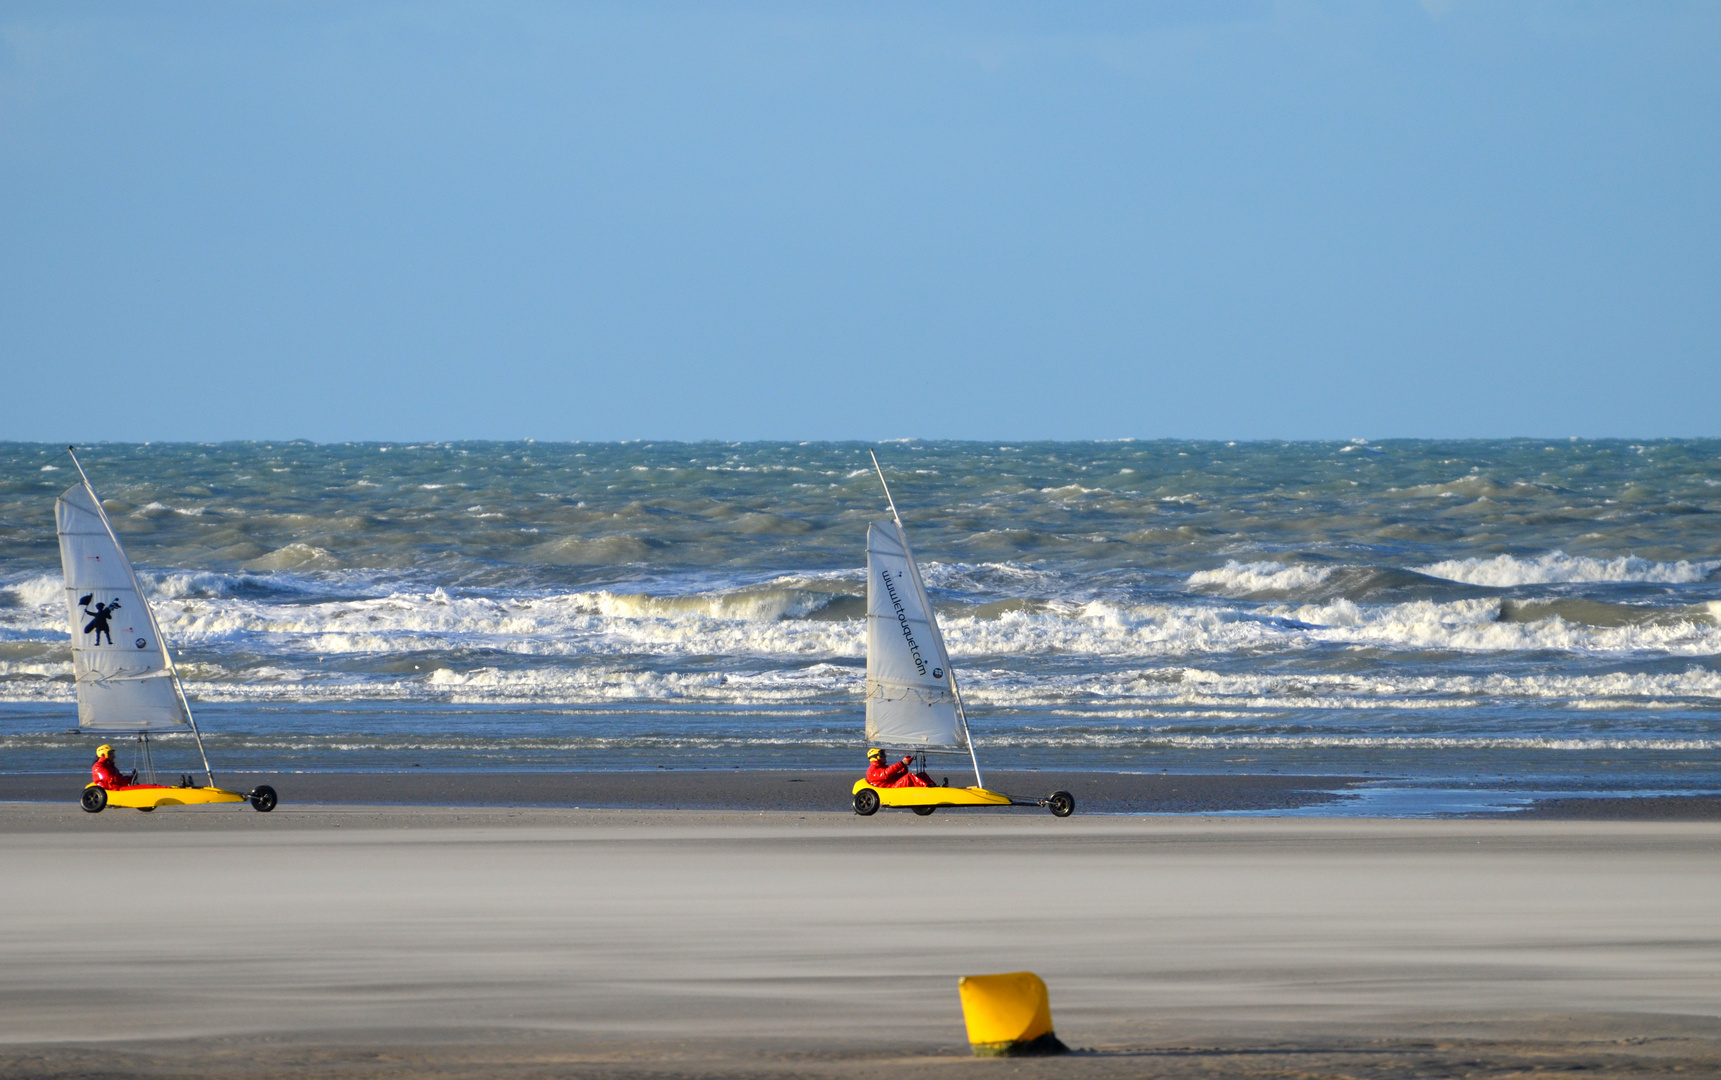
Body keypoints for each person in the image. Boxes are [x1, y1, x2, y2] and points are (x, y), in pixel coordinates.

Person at [864, 747, 935, 788]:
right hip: (890, 788)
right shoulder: (872, 770)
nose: (885, 756)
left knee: (922, 774)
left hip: (893, 784)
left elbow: (898, 776)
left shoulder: (882, 767)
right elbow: (885, 774)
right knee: (909, 777)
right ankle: (928, 788)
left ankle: (934, 786)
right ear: (876, 757)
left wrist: (904, 766)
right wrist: (902, 763)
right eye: (882, 754)